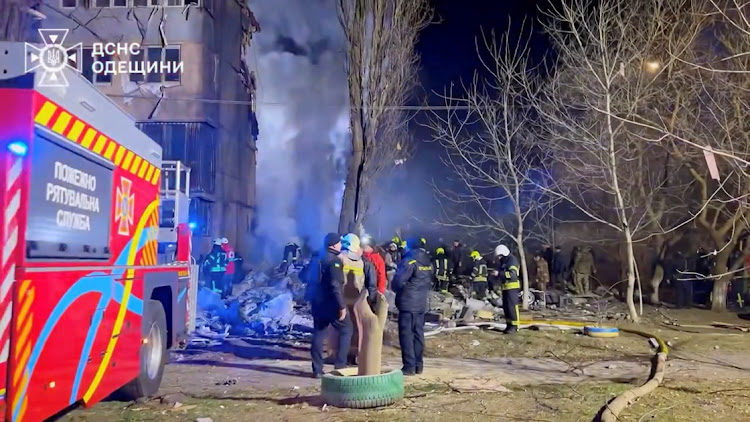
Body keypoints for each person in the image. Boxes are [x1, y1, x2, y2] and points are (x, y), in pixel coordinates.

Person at [310, 233, 352, 378]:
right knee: (347, 329)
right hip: (331, 303)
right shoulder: (334, 261)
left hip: (316, 301)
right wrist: (341, 306)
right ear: (334, 245)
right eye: (339, 243)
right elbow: (335, 285)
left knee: (319, 334)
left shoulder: (316, 258)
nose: (341, 245)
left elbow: (304, 276)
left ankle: (317, 370)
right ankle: (340, 366)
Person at [393, 238, 433, 376]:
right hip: (421, 303)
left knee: (406, 335)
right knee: (418, 334)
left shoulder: (409, 261)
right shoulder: (428, 262)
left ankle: (409, 366)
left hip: (408, 303)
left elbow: (397, 281)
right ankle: (418, 365)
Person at [339, 233, 377, 366]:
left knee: (348, 332)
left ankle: (346, 357)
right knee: (354, 331)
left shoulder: (341, 259)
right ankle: (349, 357)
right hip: (355, 302)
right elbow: (371, 284)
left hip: (344, 302)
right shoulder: (362, 262)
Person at [494, 244, 521, 334]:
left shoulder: (512, 260)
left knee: (512, 307)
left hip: (512, 287)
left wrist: (499, 274)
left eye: (500, 256)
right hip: (506, 287)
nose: (499, 258)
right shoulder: (504, 261)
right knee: (506, 308)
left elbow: (512, 274)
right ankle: (509, 325)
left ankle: (515, 326)